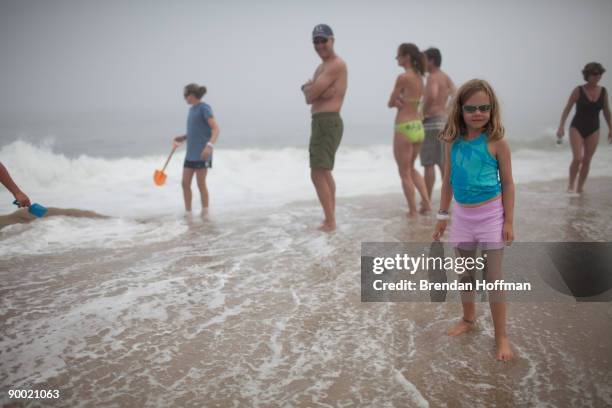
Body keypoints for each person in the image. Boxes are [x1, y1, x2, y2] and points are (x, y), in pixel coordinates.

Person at [432, 79, 515, 361]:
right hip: (463, 217)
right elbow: (447, 181)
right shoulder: (451, 142)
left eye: (484, 108)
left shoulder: (497, 142)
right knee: (466, 275)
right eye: (471, 108)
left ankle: (501, 336)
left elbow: (509, 184)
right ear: (460, 110)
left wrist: (508, 221)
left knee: (493, 278)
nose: (478, 113)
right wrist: (442, 215)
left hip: (491, 216)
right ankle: (469, 320)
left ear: (492, 109)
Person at [301, 24, 348, 232]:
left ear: (332, 40)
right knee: (324, 171)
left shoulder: (335, 65)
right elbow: (309, 97)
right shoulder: (322, 67)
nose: (320, 45)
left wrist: (311, 89)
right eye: (316, 41)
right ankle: (330, 218)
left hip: (328, 121)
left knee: (317, 172)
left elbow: (311, 96)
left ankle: (330, 221)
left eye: (323, 40)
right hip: (322, 121)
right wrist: (308, 88)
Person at [388, 43, 431, 217]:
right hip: (418, 127)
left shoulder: (403, 77)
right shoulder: (421, 78)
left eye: (398, 55)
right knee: (412, 169)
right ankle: (427, 204)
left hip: (404, 127)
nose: (396, 59)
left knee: (404, 172)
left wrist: (396, 101)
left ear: (406, 57)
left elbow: (391, 102)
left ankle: (412, 210)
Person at [557, 62, 611, 194]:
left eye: (599, 74)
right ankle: (570, 186)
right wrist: (561, 126)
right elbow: (567, 109)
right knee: (577, 158)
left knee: (587, 160)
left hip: (594, 129)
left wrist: (611, 128)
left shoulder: (603, 92)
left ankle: (579, 188)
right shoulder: (578, 90)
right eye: (594, 74)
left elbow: (606, 111)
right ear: (588, 75)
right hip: (577, 127)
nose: (597, 76)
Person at [173, 83, 220, 213]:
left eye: (185, 95)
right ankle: (188, 213)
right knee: (184, 183)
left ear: (192, 95)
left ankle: (205, 213)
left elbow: (216, 129)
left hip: (203, 153)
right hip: (190, 154)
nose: (184, 98)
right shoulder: (191, 109)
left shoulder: (204, 108)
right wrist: (184, 137)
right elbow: (197, 130)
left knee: (200, 184)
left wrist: (209, 146)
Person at [421, 47, 455, 200]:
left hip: (431, 123)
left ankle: (426, 201)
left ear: (431, 61)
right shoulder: (446, 77)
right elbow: (456, 94)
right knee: (443, 164)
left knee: (429, 163)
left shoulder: (432, 77)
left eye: (424, 59)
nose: (422, 62)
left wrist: (423, 113)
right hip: (444, 122)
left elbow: (432, 94)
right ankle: (448, 199)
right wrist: (446, 110)